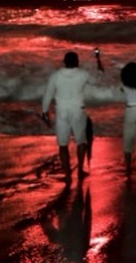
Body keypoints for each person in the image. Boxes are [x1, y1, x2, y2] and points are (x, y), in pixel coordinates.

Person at [41, 50, 95, 183]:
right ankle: (80, 170)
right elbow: (96, 81)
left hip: (62, 112)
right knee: (81, 141)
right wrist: (99, 63)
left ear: (64, 62)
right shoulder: (83, 74)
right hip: (78, 110)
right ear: (77, 62)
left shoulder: (56, 75)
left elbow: (48, 94)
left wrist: (44, 111)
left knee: (63, 145)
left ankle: (68, 175)